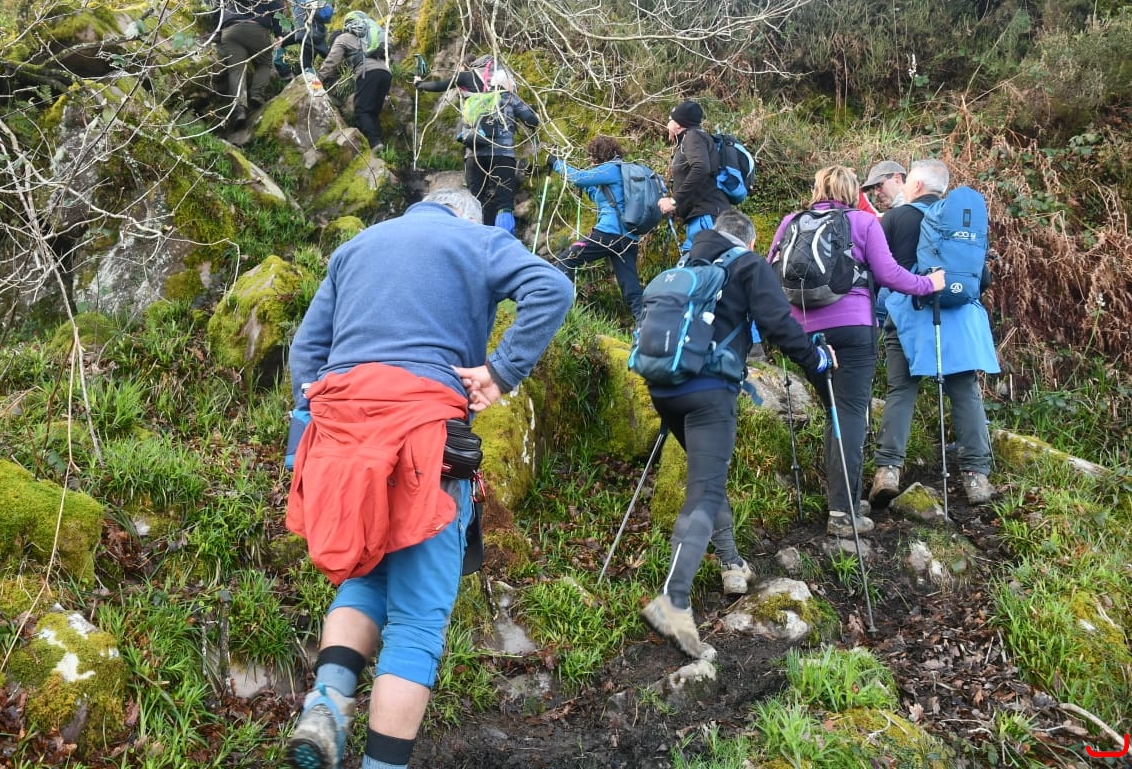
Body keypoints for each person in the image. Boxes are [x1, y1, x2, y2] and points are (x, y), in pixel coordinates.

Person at [284, 187, 574, 769]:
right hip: (423, 437)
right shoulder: (478, 239)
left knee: (368, 575)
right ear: (465, 213)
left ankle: (328, 700)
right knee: (416, 622)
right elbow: (553, 288)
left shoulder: (355, 247)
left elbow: (306, 350)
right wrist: (501, 371)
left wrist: (312, 431)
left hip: (343, 441)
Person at [639, 208, 836, 661]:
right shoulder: (748, 264)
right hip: (710, 392)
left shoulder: (687, 264)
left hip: (664, 388)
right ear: (749, 240)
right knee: (705, 491)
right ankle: (672, 601)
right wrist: (817, 360)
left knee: (707, 479)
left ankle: (732, 563)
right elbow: (779, 325)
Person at [767, 166, 945, 536]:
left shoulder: (791, 222)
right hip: (852, 329)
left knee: (835, 411)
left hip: (803, 335)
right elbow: (889, 274)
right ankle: (842, 513)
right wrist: (928, 284)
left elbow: (770, 275)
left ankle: (844, 500)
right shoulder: (863, 222)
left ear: (818, 189)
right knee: (848, 414)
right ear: (852, 192)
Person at [870, 158, 998, 508]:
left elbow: (877, 271)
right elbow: (982, 278)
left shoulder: (896, 218)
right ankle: (976, 477)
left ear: (915, 185)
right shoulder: (963, 222)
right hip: (958, 318)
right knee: (965, 391)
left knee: (901, 390)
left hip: (909, 314)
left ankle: (888, 471)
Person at [416, 56, 539, 233]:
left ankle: (472, 239)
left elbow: (439, 86)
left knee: (474, 200)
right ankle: (505, 240)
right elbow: (531, 121)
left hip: (474, 152)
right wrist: (532, 112)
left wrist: (419, 84)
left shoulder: (468, 83)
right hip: (503, 155)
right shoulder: (508, 96)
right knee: (504, 203)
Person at [547, 135, 646, 319]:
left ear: (601, 154)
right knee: (631, 287)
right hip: (628, 238)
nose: (590, 159)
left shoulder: (610, 168)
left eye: (592, 155)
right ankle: (643, 323)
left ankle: (560, 312)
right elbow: (601, 197)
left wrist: (556, 163)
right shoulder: (622, 171)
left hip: (608, 234)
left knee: (566, 259)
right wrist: (587, 187)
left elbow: (579, 177)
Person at [656, 100, 729, 257]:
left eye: (670, 120)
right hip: (703, 217)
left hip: (705, 218)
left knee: (697, 267)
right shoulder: (695, 138)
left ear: (678, 125)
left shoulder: (692, 137)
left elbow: (701, 168)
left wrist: (674, 201)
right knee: (691, 266)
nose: (668, 124)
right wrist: (679, 208)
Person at [317, 11, 393, 153]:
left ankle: (374, 144)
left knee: (361, 110)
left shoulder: (342, 38)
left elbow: (332, 61)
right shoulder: (367, 39)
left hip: (368, 73)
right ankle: (380, 146)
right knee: (372, 112)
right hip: (385, 73)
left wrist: (318, 79)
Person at [219, 0, 285, 124]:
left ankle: (239, 109)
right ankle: (256, 94)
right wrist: (278, 33)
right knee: (265, 62)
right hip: (255, 28)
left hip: (230, 31)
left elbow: (217, 7)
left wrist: (218, 30)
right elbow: (277, 6)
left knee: (236, 70)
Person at [275, 0, 331, 75]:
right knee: (307, 62)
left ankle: (284, 71)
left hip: (303, 30)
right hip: (317, 32)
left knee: (280, 40)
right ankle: (312, 77)